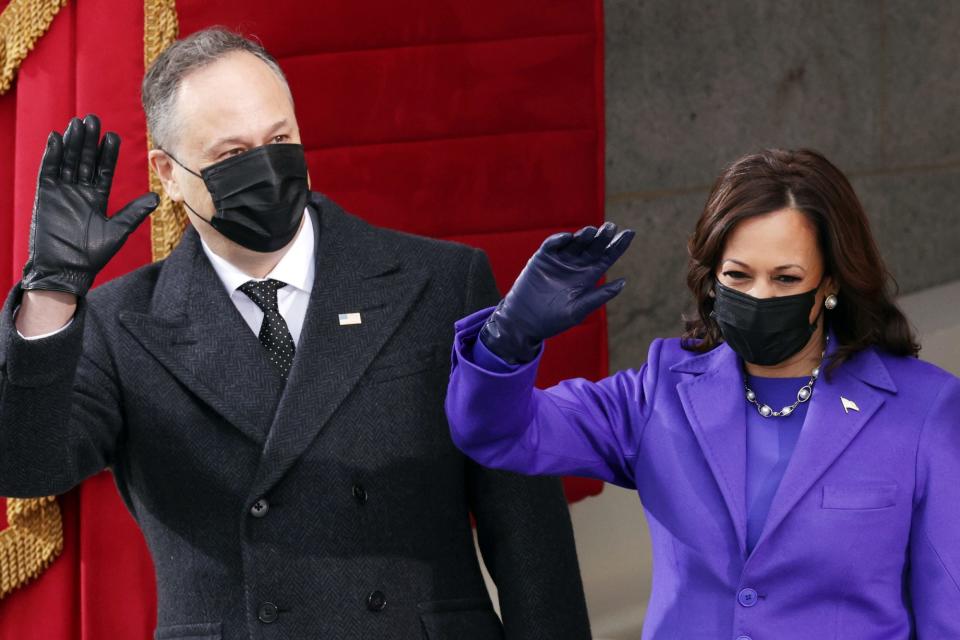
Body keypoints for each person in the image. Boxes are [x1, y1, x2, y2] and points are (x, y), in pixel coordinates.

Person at [0, 27, 592, 640]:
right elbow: (26, 467)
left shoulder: (441, 282)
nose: (266, 168)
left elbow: (525, 522)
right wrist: (50, 292)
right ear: (168, 175)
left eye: (279, 139)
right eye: (231, 155)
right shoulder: (118, 324)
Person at [446, 148, 960, 639]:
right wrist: (506, 339)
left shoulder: (922, 409)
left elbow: (950, 614)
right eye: (739, 275)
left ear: (831, 283)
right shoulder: (660, 390)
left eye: (786, 278)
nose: (760, 295)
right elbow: (494, 433)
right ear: (713, 278)